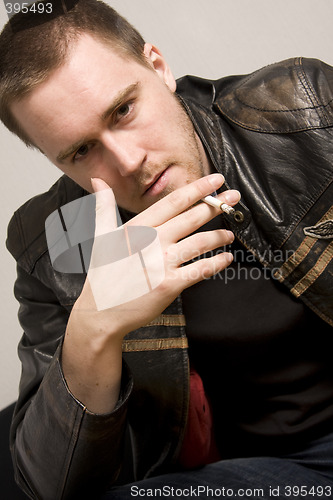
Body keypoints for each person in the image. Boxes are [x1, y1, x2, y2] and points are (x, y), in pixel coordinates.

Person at [1, 0, 333, 498]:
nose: (129, 161)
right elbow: (48, 486)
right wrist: (93, 325)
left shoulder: (305, 107)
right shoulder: (50, 242)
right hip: (275, 474)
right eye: (80, 151)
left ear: (158, 66)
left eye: (123, 110)